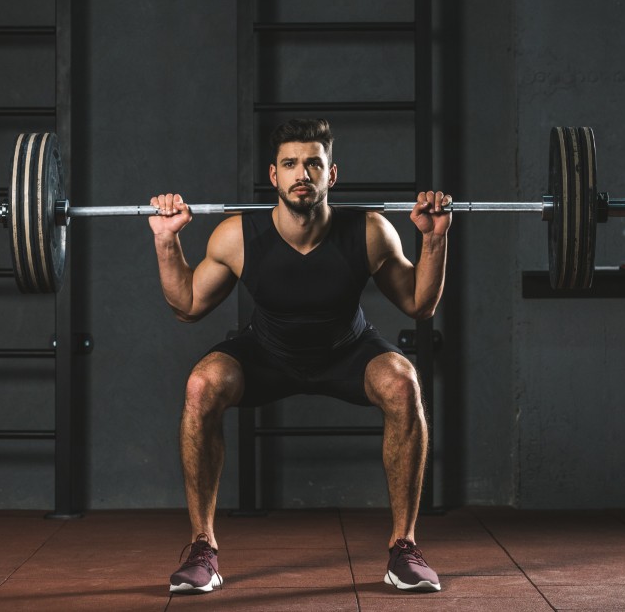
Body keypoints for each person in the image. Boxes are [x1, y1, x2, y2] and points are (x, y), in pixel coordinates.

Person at [149, 118, 451, 594]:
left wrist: (434, 239)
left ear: (332, 175)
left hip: (347, 351)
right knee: (200, 385)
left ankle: (404, 549)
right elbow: (187, 306)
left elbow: (420, 304)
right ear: (274, 175)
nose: (301, 173)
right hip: (266, 354)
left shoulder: (370, 231)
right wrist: (167, 240)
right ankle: (203, 549)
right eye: (290, 163)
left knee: (403, 382)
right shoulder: (237, 237)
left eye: (314, 163)